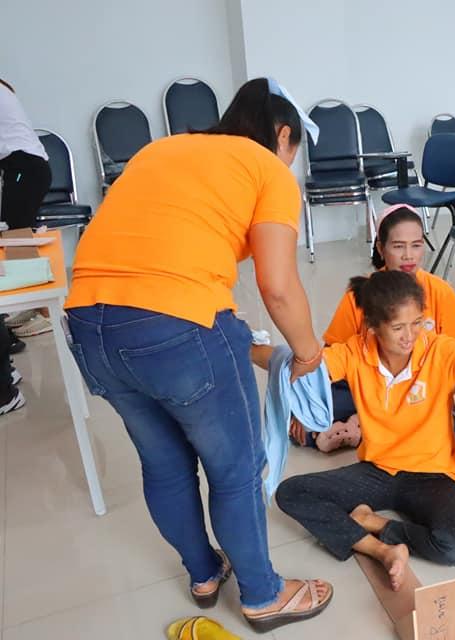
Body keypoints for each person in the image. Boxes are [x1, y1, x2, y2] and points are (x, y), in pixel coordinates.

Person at [64, 78, 333, 633]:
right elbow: (278, 286)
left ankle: (205, 573)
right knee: (235, 470)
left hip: (89, 326)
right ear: (283, 135)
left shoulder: (160, 150)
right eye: (293, 150)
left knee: (163, 463)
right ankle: (262, 595)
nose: (291, 161)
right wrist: (309, 352)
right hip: (176, 328)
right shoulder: (267, 168)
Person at [267, 270, 455, 591]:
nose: (410, 336)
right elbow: (306, 366)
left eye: (417, 323)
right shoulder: (355, 352)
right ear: (373, 326)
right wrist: (248, 348)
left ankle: (371, 522)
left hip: (432, 474)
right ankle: (380, 551)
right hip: (378, 471)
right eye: (398, 328)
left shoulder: (439, 350)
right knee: (291, 492)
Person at [290, 203, 455, 452]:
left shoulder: (441, 292)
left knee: (453, 436)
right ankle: (367, 427)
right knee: (298, 420)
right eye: (398, 246)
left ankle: (362, 428)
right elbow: (332, 354)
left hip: (424, 391)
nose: (409, 255)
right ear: (380, 248)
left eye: (416, 245)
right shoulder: (361, 293)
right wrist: (305, 403)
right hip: (368, 389)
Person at [0, 78, 53, 351]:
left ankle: (45, 314)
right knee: (18, 238)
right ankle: (32, 307)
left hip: (24, 167)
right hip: (28, 167)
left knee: (17, 238)